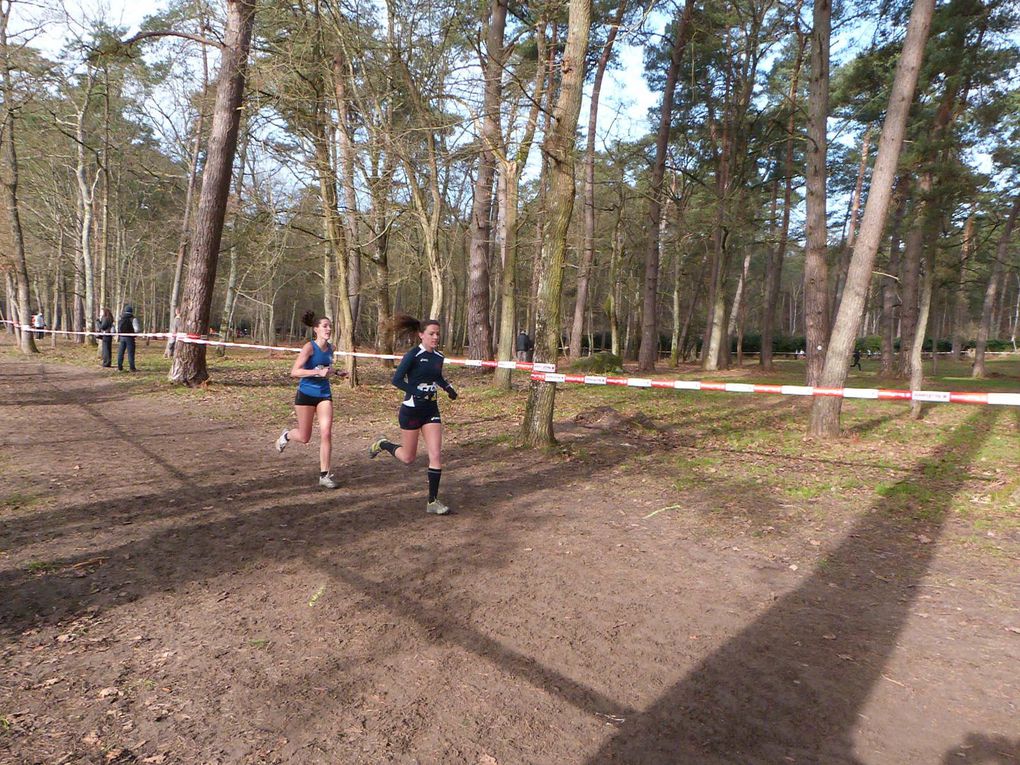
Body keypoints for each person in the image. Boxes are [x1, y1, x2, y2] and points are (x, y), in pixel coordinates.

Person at [368, 315, 458, 515]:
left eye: (437, 334)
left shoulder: (439, 357)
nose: (435, 337)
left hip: (431, 410)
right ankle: (383, 444)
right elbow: (397, 380)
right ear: (421, 335)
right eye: (431, 334)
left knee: (435, 454)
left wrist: (447, 388)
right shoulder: (413, 355)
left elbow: (437, 377)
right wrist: (417, 392)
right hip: (411, 409)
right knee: (408, 457)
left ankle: (432, 501)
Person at [275, 310, 347, 489]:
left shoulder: (332, 348)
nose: (328, 329)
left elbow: (326, 368)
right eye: (325, 326)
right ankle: (286, 435)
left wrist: (337, 372)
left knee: (326, 432)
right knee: (304, 436)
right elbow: (295, 372)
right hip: (306, 394)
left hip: (324, 395)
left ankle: (325, 475)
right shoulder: (309, 347)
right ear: (316, 329)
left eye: (330, 326)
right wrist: (316, 372)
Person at [117, 305, 141, 371]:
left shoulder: (121, 318)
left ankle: (119, 367)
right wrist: (135, 334)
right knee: (130, 353)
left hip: (122, 337)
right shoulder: (133, 319)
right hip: (130, 338)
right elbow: (137, 329)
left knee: (120, 352)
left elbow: (118, 327)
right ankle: (132, 367)